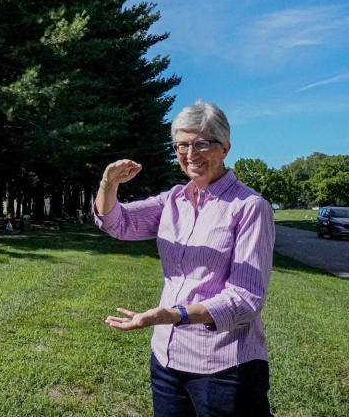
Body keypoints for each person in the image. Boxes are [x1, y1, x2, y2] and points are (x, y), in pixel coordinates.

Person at [94, 100, 274, 417]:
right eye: (182, 145)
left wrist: (174, 314)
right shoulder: (173, 200)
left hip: (224, 367)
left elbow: (245, 298)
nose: (191, 154)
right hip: (166, 358)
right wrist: (108, 184)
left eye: (202, 143)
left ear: (225, 148)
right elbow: (117, 223)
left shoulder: (249, 207)